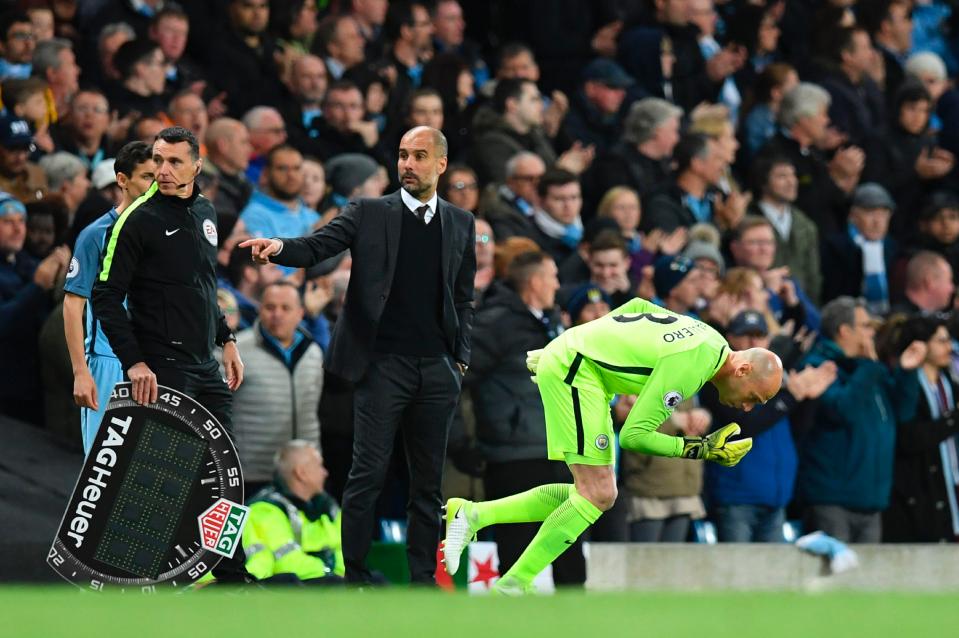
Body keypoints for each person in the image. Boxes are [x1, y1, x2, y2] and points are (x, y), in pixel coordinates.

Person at [240, 125, 476, 586]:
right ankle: (358, 576)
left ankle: (423, 580)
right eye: (403, 155)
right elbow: (317, 246)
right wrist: (279, 248)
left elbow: (463, 298)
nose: (407, 164)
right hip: (383, 365)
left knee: (428, 485)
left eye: (419, 156)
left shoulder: (461, 223)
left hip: (437, 368)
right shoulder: (369, 212)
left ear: (441, 165)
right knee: (366, 474)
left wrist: (459, 357)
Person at [442, 296, 783, 594]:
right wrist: (698, 448)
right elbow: (634, 435)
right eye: (754, 397)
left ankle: (474, 516)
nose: (748, 407)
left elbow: (638, 307)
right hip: (577, 370)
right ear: (743, 370)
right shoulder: (694, 364)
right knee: (598, 494)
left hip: (584, 369)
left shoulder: (710, 338)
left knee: (595, 493)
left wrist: (577, 340)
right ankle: (514, 582)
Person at [91, 126, 249, 581]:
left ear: (197, 166)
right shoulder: (136, 220)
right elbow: (106, 296)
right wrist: (135, 362)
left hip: (204, 363)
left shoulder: (205, 211)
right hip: (164, 366)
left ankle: (229, 572)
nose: (163, 170)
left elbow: (204, 285)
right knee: (163, 473)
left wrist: (227, 339)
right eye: (158, 160)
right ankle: (137, 569)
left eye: (174, 161)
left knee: (228, 471)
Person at [467, 250, 587, 585]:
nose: (558, 284)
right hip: (514, 454)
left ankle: (576, 625)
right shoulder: (497, 324)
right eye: (553, 276)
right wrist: (464, 442)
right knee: (517, 549)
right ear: (535, 283)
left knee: (568, 545)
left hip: (556, 448)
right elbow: (458, 381)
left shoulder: (548, 322)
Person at [700, 310, 836, 542]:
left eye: (760, 335)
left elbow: (797, 431)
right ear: (731, 339)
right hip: (736, 498)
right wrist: (791, 396)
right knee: (737, 575)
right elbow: (746, 425)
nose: (753, 342)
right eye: (746, 335)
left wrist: (807, 397)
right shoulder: (719, 380)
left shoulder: (774, 382)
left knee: (773, 578)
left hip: (776, 498)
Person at [797, 296, 925, 543]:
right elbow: (843, 409)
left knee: (867, 582)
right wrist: (868, 367)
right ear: (844, 331)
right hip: (832, 500)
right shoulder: (819, 366)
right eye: (866, 326)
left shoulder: (869, 370)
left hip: (871, 501)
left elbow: (903, 412)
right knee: (836, 580)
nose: (872, 333)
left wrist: (907, 372)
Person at [63, 141, 154, 454]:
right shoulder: (96, 235)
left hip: (154, 363)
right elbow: (73, 306)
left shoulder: (170, 236)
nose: (154, 186)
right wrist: (81, 372)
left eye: (158, 178)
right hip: (108, 362)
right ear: (122, 180)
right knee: (103, 472)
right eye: (146, 177)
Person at [230, 280, 323, 496]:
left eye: (286, 308)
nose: (277, 314)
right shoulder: (236, 351)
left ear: (300, 313)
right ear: (259, 309)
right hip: (250, 474)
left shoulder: (313, 352)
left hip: (302, 476)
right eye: (270, 307)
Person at [883, 314, 959, 542]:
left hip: (951, 486)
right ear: (920, 345)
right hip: (918, 492)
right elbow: (910, 438)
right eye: (941, 341)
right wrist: (953, 419)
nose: (949, 347)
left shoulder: (950, 385)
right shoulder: (904, 385)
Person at [243, 440, 345, 582]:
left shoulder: (327, 507)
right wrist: (330, 573)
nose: (325, 473)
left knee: (374, 581)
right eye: (319, 465)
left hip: (328, 578)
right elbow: (285, 561)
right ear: (301, 473)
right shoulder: (266, 509)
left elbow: (345, 550)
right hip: (300, 585)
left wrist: (342, 574)